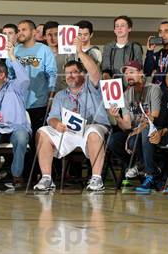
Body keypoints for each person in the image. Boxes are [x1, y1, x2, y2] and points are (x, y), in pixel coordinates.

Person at [33, 44, 111, 192]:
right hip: (68, 131)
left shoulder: (93, 87)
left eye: (74, 72)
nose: (70, 76)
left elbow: (94, 72)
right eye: (67, 73)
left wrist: (80, 52)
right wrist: (56, 124)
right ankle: (47, 178)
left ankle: (96, 178)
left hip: (92, 128)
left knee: (93, 130)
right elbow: (52, 117)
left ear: (83, 74)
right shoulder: (61, 95)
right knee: (42, 131)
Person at [0, 42, 31, 191]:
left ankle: (17, 175)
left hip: (16, 127)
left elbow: (25, 79)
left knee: (22, 137)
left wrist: (11, 56)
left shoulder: (15, 86)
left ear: (2, 75)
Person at [107, 60, 161, 179]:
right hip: (134, 131)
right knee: (113, 141)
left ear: (141, 73)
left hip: (151, 129)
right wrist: (117, 117)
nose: (128, 76)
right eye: (126, 73)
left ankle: (146, 169)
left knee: (133, 140)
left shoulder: (154, 89)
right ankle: (134, 165)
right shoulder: (126, 94)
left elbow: (155, 117)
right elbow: (126, 125)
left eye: (131, 72)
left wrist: (135, 132)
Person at [6, 20, 57, 139]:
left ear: (34, 32)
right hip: (19, 105)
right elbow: (10, 75)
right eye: (18, 30)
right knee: (20, 140)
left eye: (24, 30)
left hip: (39, 103)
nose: (20, 33)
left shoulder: (44, 50)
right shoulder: (15, 50)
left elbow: (52, 74)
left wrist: (51, 96)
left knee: (37, 140)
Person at [101, 15, 142, 80]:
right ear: (114, 30)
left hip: (130, 84)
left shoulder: (135, 48)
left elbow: (139, 70)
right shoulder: (108, 47)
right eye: (117, 26)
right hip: (112, 85)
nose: (119, 28)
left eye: (122, 25)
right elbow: (105, 70)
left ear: (129, 29)